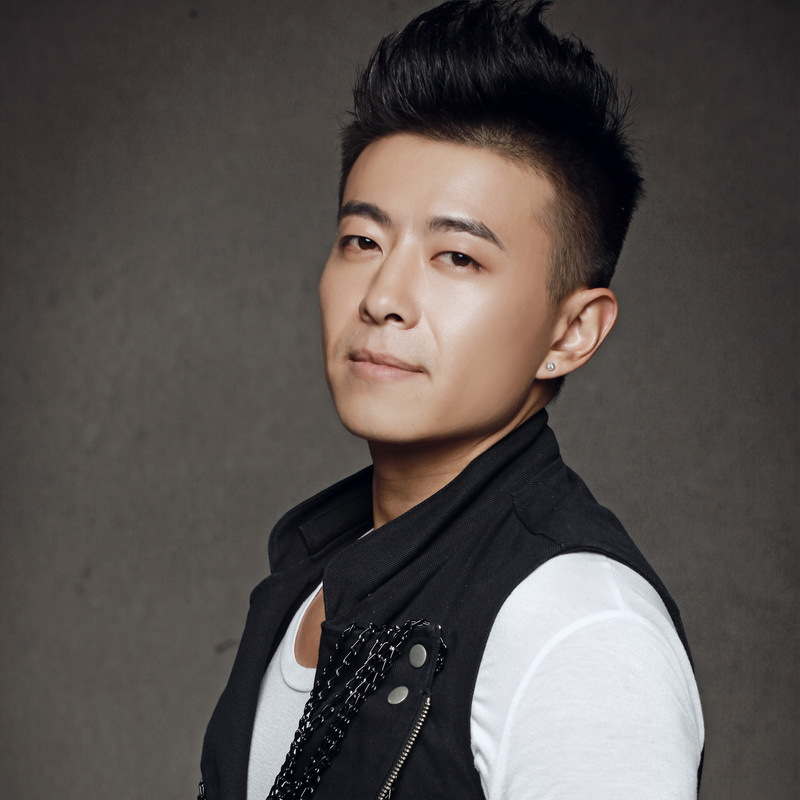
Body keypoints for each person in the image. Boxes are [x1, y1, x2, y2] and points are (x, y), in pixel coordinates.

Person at [199, 1, 704, 798]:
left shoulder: (580, 629)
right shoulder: (308, 581)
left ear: (572, 331)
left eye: (457, 257)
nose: (383, 297)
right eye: (363, 241)